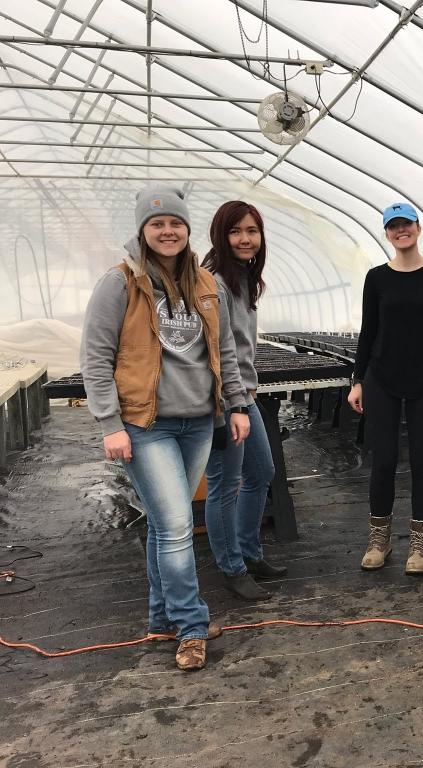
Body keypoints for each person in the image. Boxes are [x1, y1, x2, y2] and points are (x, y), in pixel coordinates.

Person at [81, 185, 250, 671]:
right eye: (157, 224)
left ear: (187, 229)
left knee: (164, 523)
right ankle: (192, 625)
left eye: (175, 223)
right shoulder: (120, 283)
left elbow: (226, 352)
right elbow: (95, 358)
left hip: (198, 420)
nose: (168, 231)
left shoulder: (206, 284)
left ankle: (161, 619)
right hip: (144, 424)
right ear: (142, 231)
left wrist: (236, 406)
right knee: (178, 525)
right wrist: (109, 423)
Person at [348, 202, 423, 575]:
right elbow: (368, 331)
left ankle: (419, 544)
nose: (401, 231)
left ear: (418, 227)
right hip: (382, 377)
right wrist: (357, 380)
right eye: (393, 227)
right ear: (387, 233)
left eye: (406, 224)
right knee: (383, 459)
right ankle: (379, 539)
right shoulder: (376, 278)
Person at [202, 201, 286, 601]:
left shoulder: (244, 279)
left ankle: (249, 552)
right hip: (225, 402)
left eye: (252, 231)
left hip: (244, 397)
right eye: (236, 231)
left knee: (261, 472)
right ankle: (231, 567)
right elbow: (219, 352)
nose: (245, 239)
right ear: (221, 235)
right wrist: (234, 404)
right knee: (224, 484)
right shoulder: (214, 281)